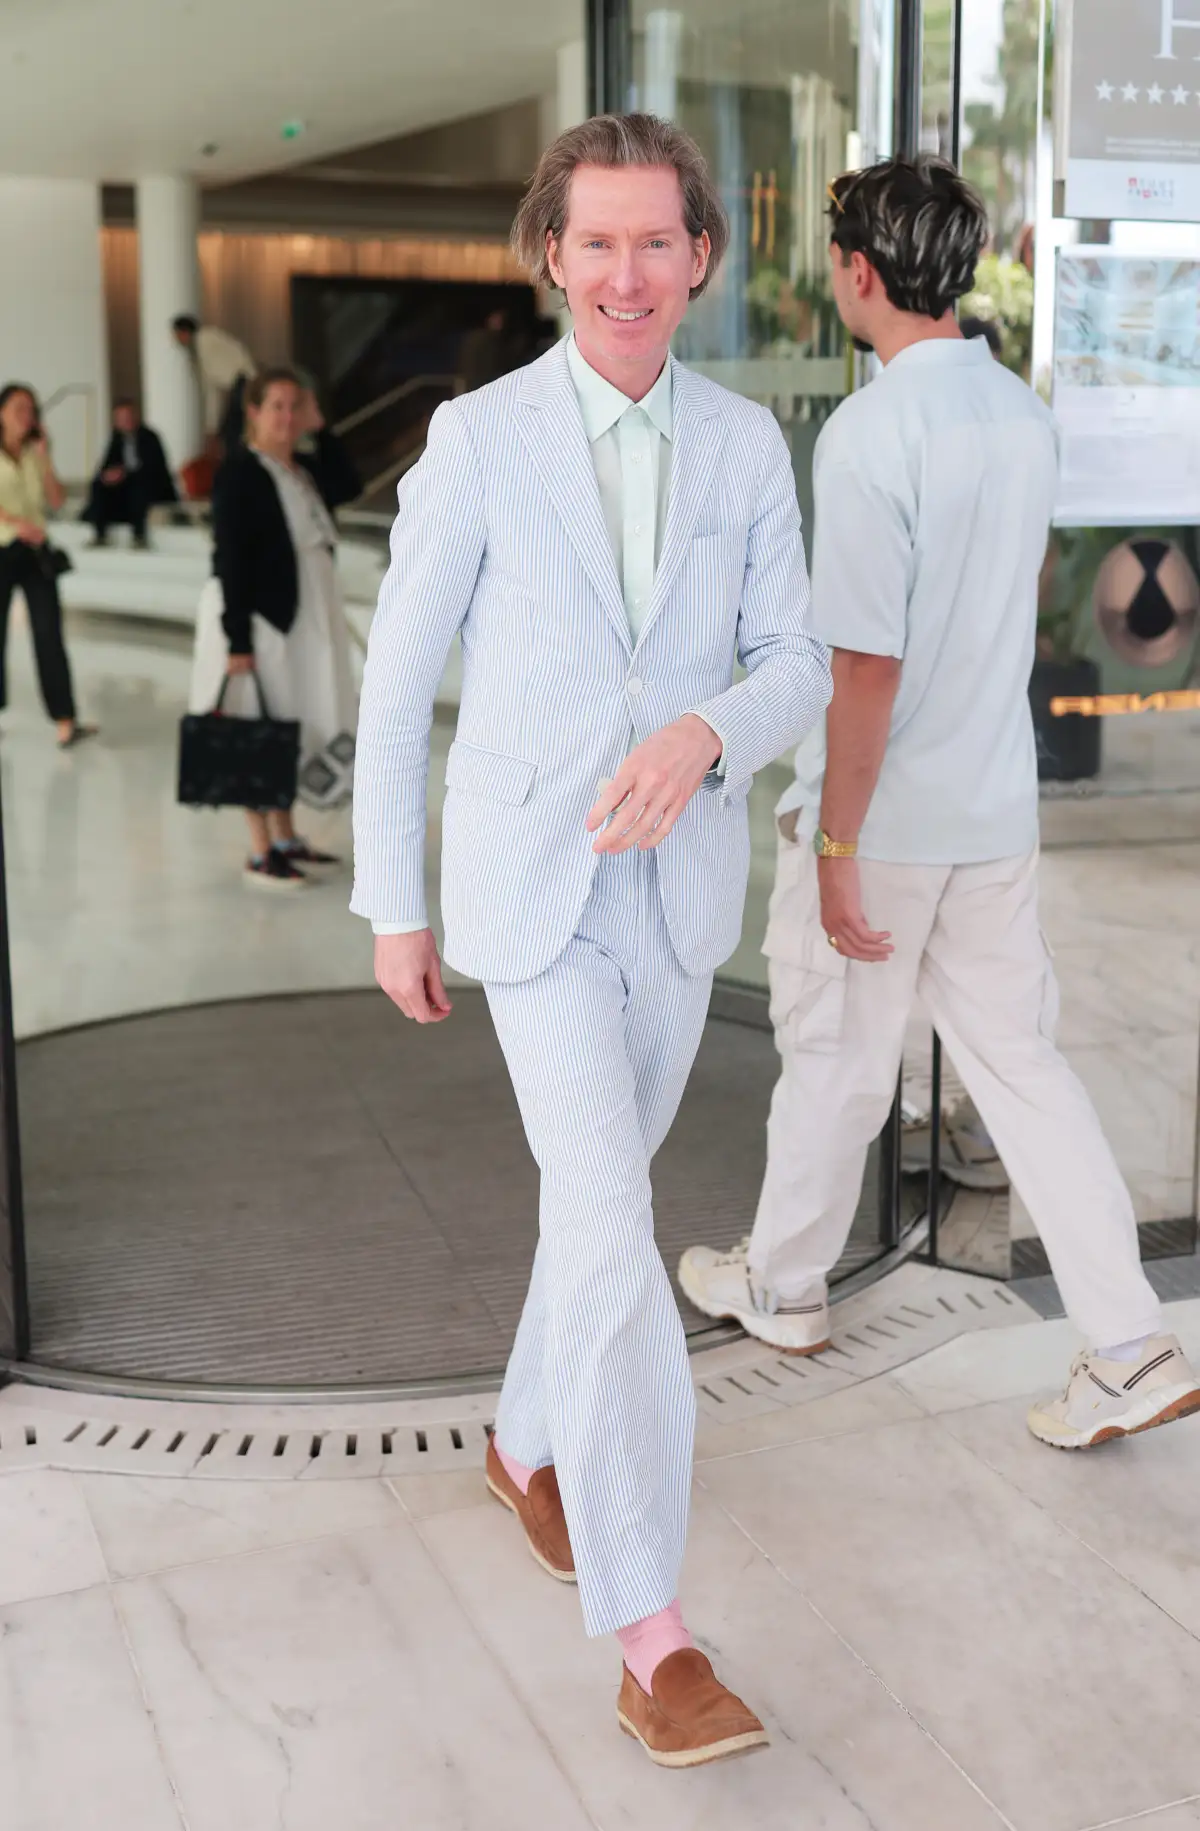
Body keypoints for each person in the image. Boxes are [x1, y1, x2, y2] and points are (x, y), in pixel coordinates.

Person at [352, 113, 830, 1764]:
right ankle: (654, 1634)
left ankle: (520, 1439)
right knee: (618, 1233)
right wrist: (395, 899)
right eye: (598, 240)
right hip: (534, 898)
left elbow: (796, 661)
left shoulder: (746, 446)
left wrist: (707, 730)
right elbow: (397, 681)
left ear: (701, 257)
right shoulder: (478, 438)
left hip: (679, 895)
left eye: (658, 241)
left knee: (594, 1203)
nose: (628, 273)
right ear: (552, 252)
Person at [679, 155, 1200, 1451]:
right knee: (1024, 1067)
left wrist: (836, 840)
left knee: (836, 1057)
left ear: (859, 272)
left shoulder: (871, 434)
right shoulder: (1023, 418)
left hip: (890, 820)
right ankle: (1129, 1341)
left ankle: (783, 1284)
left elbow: (865, 665)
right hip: (994, 812)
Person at [189, 367, 357, 889]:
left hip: (300, 617)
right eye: (276, 406)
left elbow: (349, 484)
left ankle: (286, 837)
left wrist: (322, 428)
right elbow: (231, 559)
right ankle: (261, 848)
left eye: (295, 406)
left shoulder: (301, 468)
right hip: (260, 621)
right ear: (254, 412)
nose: (286, 417)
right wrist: (238, 640)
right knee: (255, 724)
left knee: (286, 720)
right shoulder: (241, 472)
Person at [0, 383, 95, 750]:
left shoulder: (35, 453)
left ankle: (65, 719)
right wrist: (14, 523)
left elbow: (56, 501)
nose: (26, 416)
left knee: (49, 633)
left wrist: (46, 458)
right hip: (2, 548)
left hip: (35, 552)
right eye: (18, 409)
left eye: (30, 409)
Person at [82, 399, 177, 549]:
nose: (124, 421)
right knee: (98, 484)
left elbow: (153, 469)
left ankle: (139, 536)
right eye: (120, 418)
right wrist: (108, 475)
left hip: (149, 486)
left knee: (137, 487)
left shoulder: (149, 437)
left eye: (127, 417)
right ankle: (100, 534)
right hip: (124, 487)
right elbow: (106, 465)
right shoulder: (116, 439)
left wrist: (124, 474)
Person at [171, 315, 257, 455]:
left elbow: (239, 354)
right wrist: (211, 428)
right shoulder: (200, 348)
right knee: (230, 435)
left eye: (177, 335)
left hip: (242, 384)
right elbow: (212, 390)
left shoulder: (205, 339)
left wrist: (251, 377)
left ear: (184, 332)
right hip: (239, 386)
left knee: (232, 435)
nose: (176, 340)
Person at [294, 379, 362, 513]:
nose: (316, 408)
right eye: (312, 405)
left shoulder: (323, 441)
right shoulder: (293, 461)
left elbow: (353, 487)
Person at [457, 306, 513, 392]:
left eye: (501, 320)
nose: (499, 323)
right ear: (489, 320)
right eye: (496, 319)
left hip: (489, 380)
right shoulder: (479, 338)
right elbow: (469, 361)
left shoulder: (498, 340)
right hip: (478, 381)